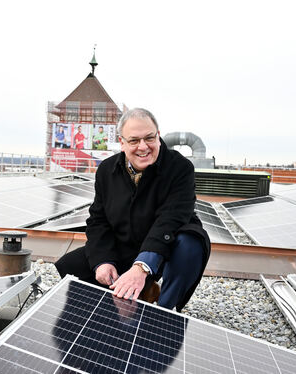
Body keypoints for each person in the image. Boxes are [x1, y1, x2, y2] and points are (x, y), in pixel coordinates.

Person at [54, 108, 210, 311]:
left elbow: (171, 218)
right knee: (71, 267)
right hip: (126, 243)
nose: (143, 147)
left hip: (168, 244)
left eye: (149, 138)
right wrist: (103, 261)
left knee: (191, 244)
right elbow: (98, 220)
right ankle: (133, 297)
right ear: (122, 143)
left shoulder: (180, 168)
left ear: (158, 135)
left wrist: (141, 267)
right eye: (134, 140)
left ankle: (165, 310)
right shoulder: (107, 171)